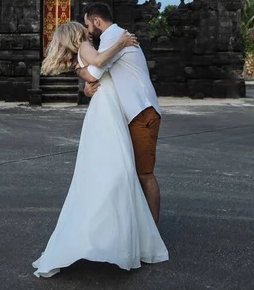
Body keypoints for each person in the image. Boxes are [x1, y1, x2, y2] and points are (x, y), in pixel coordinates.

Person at [33, 19, 168, 278]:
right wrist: (121, 43)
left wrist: (82, 75)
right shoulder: (85, 46)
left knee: (106, 170)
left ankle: (107, 235)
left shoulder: (81, 53)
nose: (88, 31)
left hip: (106, 109)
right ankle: (118, 235)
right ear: (76, 34)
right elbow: (96, 64)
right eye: (82, 28)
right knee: (118, 169)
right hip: (106, 111)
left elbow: (92, 71)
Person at [77, 2, 163, 225]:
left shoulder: (112, 37)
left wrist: (77, 68)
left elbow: (94, 72)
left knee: (144, 174)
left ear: (97, 21)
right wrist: (89, 89)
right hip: (133, 113)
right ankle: (138, 227)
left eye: (88, 24)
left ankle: (152, 230)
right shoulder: (116, 36)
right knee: (128, 173)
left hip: (141, 112)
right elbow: (104, 76)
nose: (87, 30)